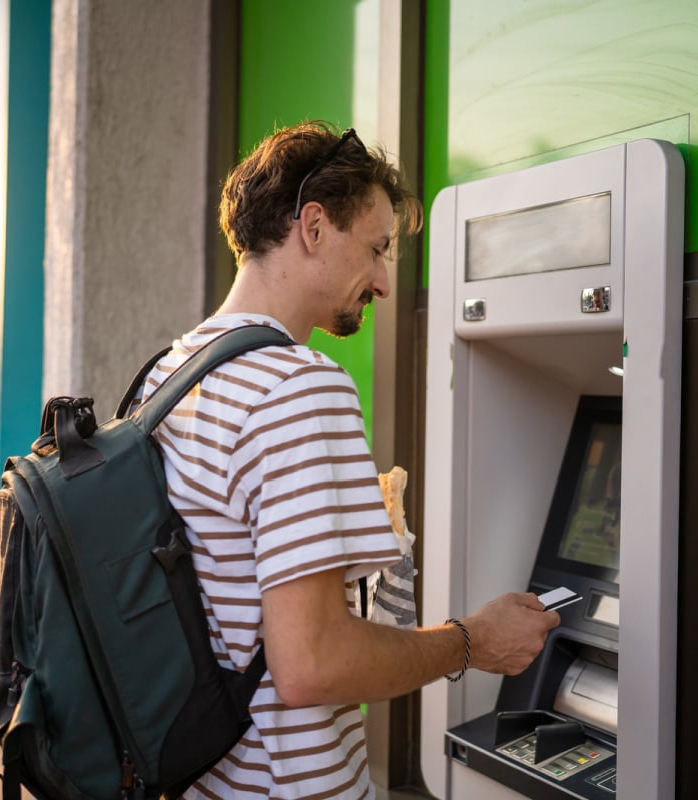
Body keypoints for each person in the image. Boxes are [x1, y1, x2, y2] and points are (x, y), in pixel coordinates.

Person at [135, 121, 560, 799]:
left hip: (198, 781)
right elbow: (312, 664)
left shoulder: (164, 376)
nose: (385, 283)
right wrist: (473, 640)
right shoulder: (299, 386)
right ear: (312, 226)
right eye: (377, 249)